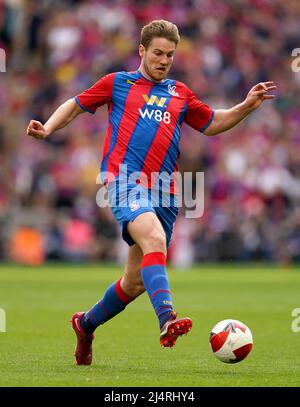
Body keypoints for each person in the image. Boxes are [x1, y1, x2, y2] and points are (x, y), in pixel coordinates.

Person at [27, 20, 276, 365]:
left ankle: (85, 325)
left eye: (170, 55)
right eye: (157, 53)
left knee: (133, 283)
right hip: (123, 182)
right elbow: (75, 104)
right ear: (142, 50)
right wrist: (48, 127)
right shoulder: (118, 83)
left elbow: (212, 123)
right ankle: (167, 319)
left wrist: (246, 106)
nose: (164, 60)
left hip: (166, 192)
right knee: (155, 240)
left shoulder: (180, 93)